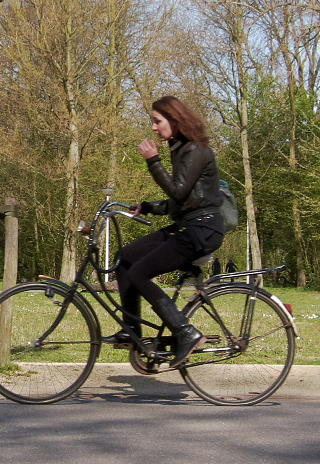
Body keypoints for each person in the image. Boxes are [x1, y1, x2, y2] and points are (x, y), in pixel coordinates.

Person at [102, 96, 224, 368]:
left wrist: (153, 161)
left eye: (157, 121)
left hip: (201, 230)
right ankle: (131, 331)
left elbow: (178, 190)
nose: (154, 128)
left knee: (139, 272)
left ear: (175, 120)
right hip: (189, 225)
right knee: (125, 258)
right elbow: (181, 201)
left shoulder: (195, 150)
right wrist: (145, 207)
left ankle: (185, 332)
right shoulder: (181, 149)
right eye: (152, 122)